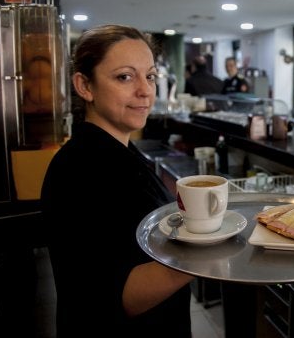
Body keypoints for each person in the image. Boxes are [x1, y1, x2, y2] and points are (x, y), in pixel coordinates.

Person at [40, 24, 194, 336]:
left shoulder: (121, 151)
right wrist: (211, 249)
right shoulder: (81, 169)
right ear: (85, 85)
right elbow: (119, 296)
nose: (145, 90)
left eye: (149, 76)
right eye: (125, 76)